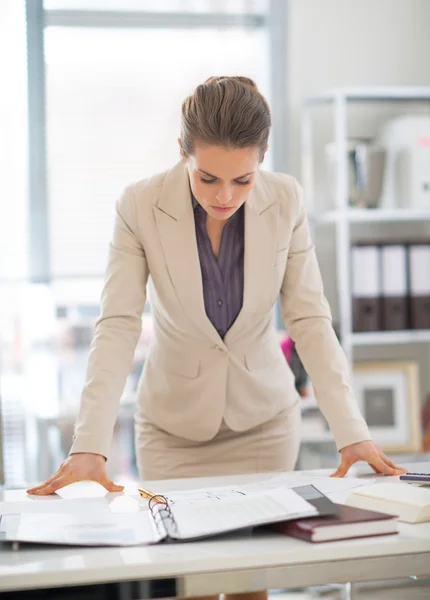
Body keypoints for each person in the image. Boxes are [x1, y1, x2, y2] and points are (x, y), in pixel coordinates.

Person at [28, 76, 406, 508]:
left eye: (243, 180)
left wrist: (351, 431)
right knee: (188, 569)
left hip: (264, 423)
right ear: (182, 152)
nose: (225, 196)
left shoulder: (286, 200)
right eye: (207, 178)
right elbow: (118, 324)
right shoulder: (139, 205)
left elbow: (310, 321)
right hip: (173, 431)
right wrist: (90, 443)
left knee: (255, 567)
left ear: (262, 158)